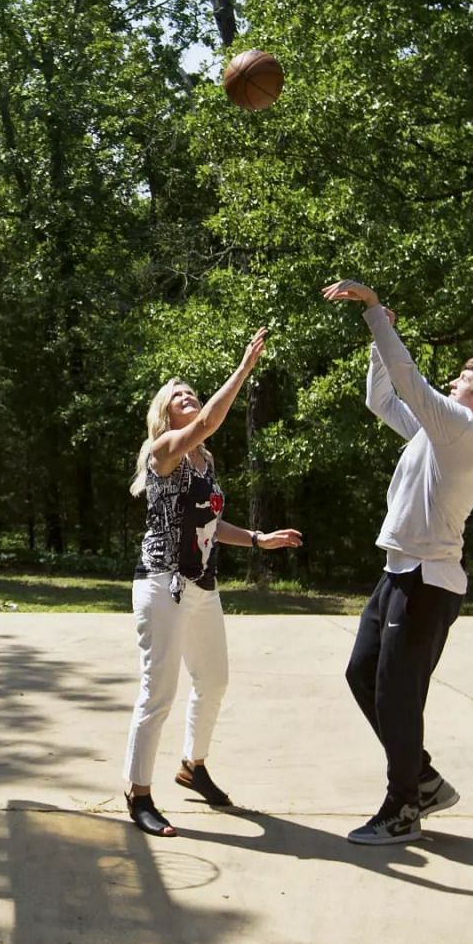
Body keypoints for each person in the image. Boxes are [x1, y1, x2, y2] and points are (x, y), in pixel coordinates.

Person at [322, 280, 473, 845]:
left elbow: (409, 381)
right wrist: (377, 345)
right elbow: (382, 399)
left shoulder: (463, 429)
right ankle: (424, 779)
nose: (454, 381)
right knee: (363, 675)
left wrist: (376, 311)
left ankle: (403, 805)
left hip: (427, 583)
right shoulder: (438, 433)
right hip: (400, 573)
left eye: (463, 378)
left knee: (396, 695)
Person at [123, 328, 304, 837]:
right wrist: (244, 368)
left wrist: (257, 538)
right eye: (178, 396)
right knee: (158, 691)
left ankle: (192, 766)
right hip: (161, 583)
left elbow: (207, 523)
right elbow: (207, 422)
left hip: (202, 584)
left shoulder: (206, 461)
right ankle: (137, 794)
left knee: (214, 681)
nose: (189, 397)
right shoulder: (165, 450)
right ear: (166, 413)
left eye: (191, 392)